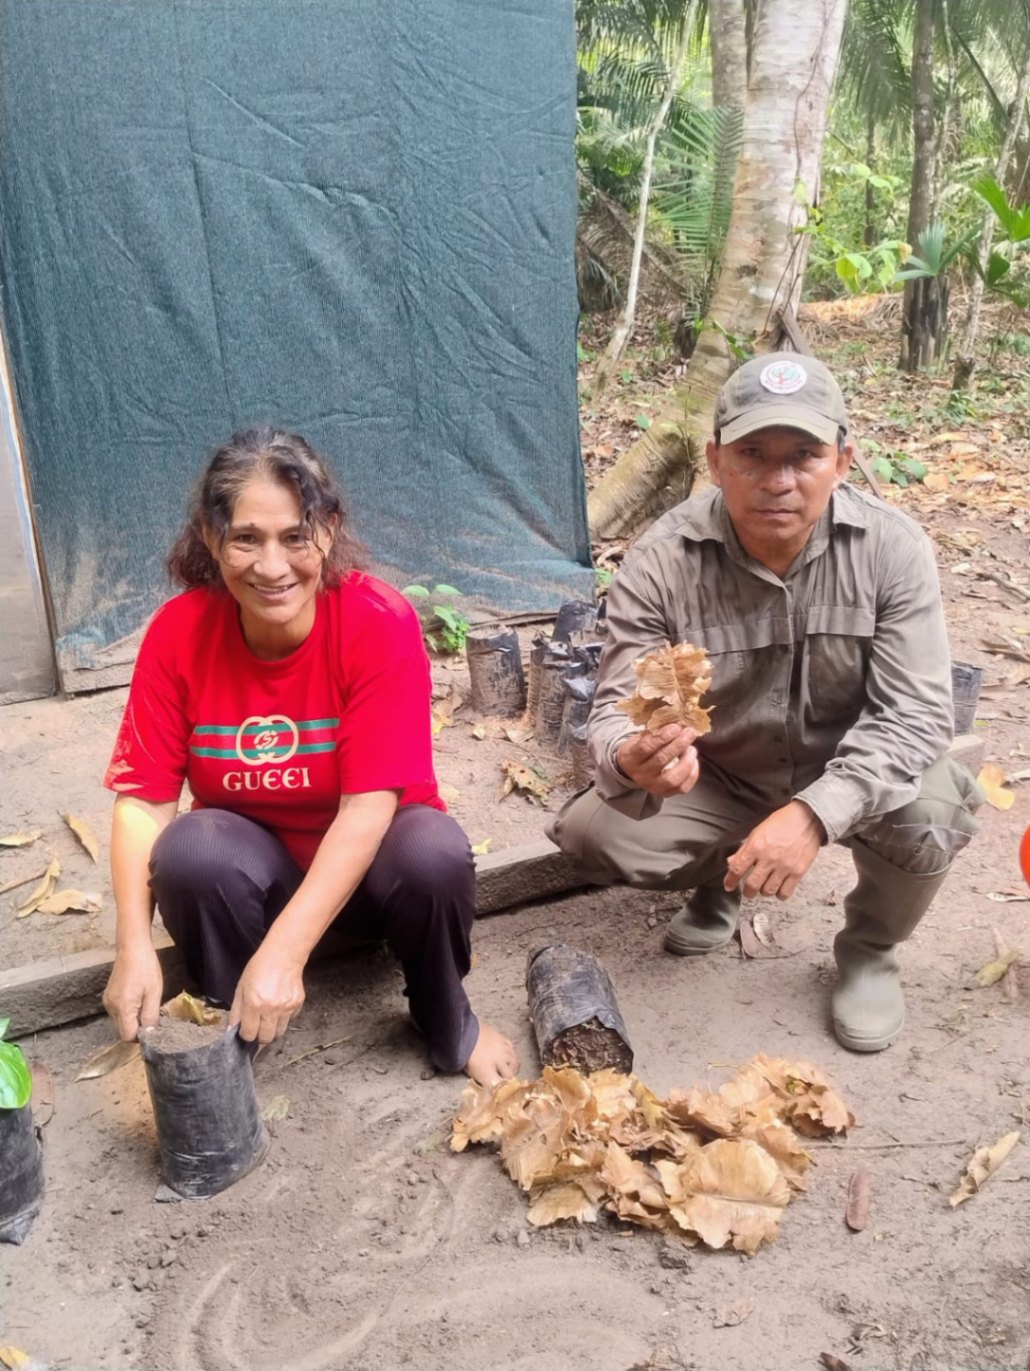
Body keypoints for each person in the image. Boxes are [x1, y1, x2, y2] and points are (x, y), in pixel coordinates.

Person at [549, 352, 983, 1053]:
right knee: (597, 828)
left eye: (803, 455)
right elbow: (612, 710)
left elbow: (917, 715)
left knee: (936, 808)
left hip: (848, 773)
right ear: (716, 459)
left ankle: (870, 947)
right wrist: (634, 758)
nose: (778, 480)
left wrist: (814, 814)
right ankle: (721, 883)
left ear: (842, 460)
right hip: (724, 778)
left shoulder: (892, 550)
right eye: (753, 454)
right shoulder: (661, 560)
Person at [101, 427, 518, 1086]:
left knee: (432, 849)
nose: (273, 565)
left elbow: (368, 806)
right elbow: (143, 802)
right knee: (190, 849)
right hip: (255, 884)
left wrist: (287, 954)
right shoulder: (178, 632)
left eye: (296, 536)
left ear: (329, 529)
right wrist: (131, 947)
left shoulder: (376, 622)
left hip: (372, 885)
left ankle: (444, 1014)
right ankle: (231, 1021)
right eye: (246, 538)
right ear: (211, 540)